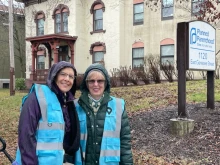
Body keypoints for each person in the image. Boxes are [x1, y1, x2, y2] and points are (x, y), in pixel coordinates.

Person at [14, 61, 80, 165]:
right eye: (63, 74)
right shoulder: (37, 97)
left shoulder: (69, 103)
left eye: (71, 76)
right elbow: (26, 136)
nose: (67, 79)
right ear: (54, 75)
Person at [74, 63, 133, 165]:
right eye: (91, 81)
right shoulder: (75, 106)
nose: (96, 84)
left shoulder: (119, 105)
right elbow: (70, 141)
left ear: (106, 83)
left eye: (100, 81)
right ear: (86, 83)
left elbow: (125, 142)